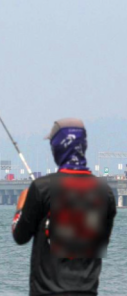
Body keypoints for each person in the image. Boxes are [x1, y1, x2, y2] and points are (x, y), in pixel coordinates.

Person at [12, 118, 116, 296]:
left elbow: (20, 236)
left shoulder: (42, 188)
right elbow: (101, 243)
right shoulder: (105, 193)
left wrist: (20, 208)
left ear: (58, 147)